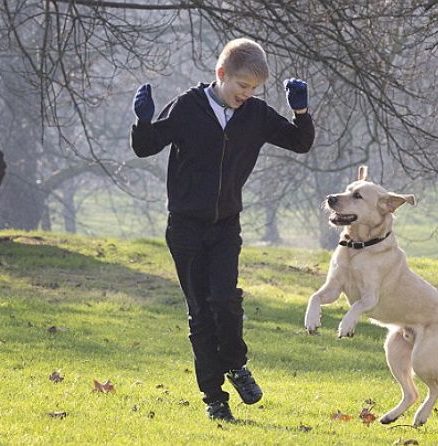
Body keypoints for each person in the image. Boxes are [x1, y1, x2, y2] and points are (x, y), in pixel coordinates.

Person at [130, 38, 314, 422]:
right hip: (185, 227)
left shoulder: (257, 115)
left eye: (253, 89)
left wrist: (301, 110)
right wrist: (142, 120)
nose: (246, 95)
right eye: (241, 86)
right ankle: (215, 399)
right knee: (201, 314)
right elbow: (146, 147)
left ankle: (236, 364)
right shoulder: (186, 107)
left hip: (226, 225)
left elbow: (300, 143)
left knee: (226, 301)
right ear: (221, 75)